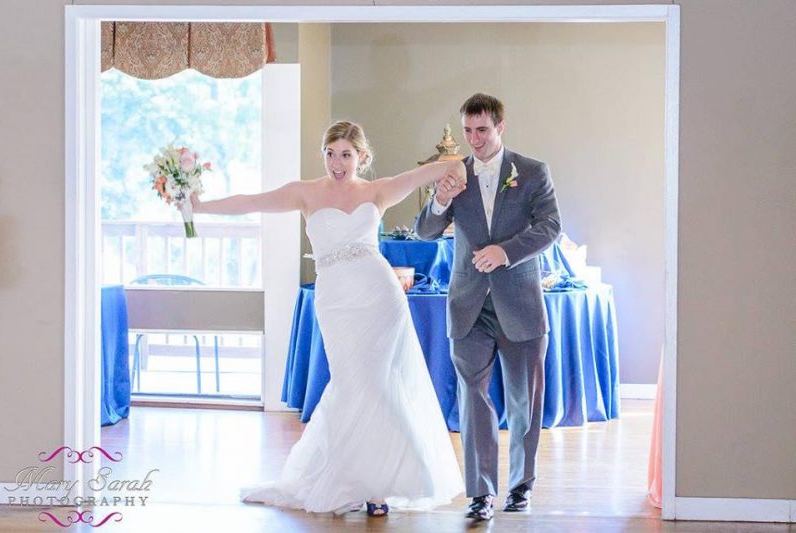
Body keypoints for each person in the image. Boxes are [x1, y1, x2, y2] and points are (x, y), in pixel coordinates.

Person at [188, 121, 464, 516]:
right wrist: (199, 205)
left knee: (381, 385)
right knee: (354, 385)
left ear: (361, 157)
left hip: (379, 296)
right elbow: (252, 201)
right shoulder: (305, 193)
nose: (337, 163)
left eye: (346, 154)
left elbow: (440, 167)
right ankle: (354, 476)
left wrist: (458, 180)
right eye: (330, 153)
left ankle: (380, 488)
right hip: (336, 301)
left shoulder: (377, 190)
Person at [414, 93, 561, 520]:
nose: (474, 140)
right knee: (472, 399)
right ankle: (480, 493)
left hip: (521, 302)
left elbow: (551, 226)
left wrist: (506, 252)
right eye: (468, 131)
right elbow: (425, 231)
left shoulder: (532, 172)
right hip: (468, 303)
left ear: (500, 127)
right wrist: (440, 200)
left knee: (524, 402)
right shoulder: (453, 173)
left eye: (482, 130)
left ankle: (521, 486)